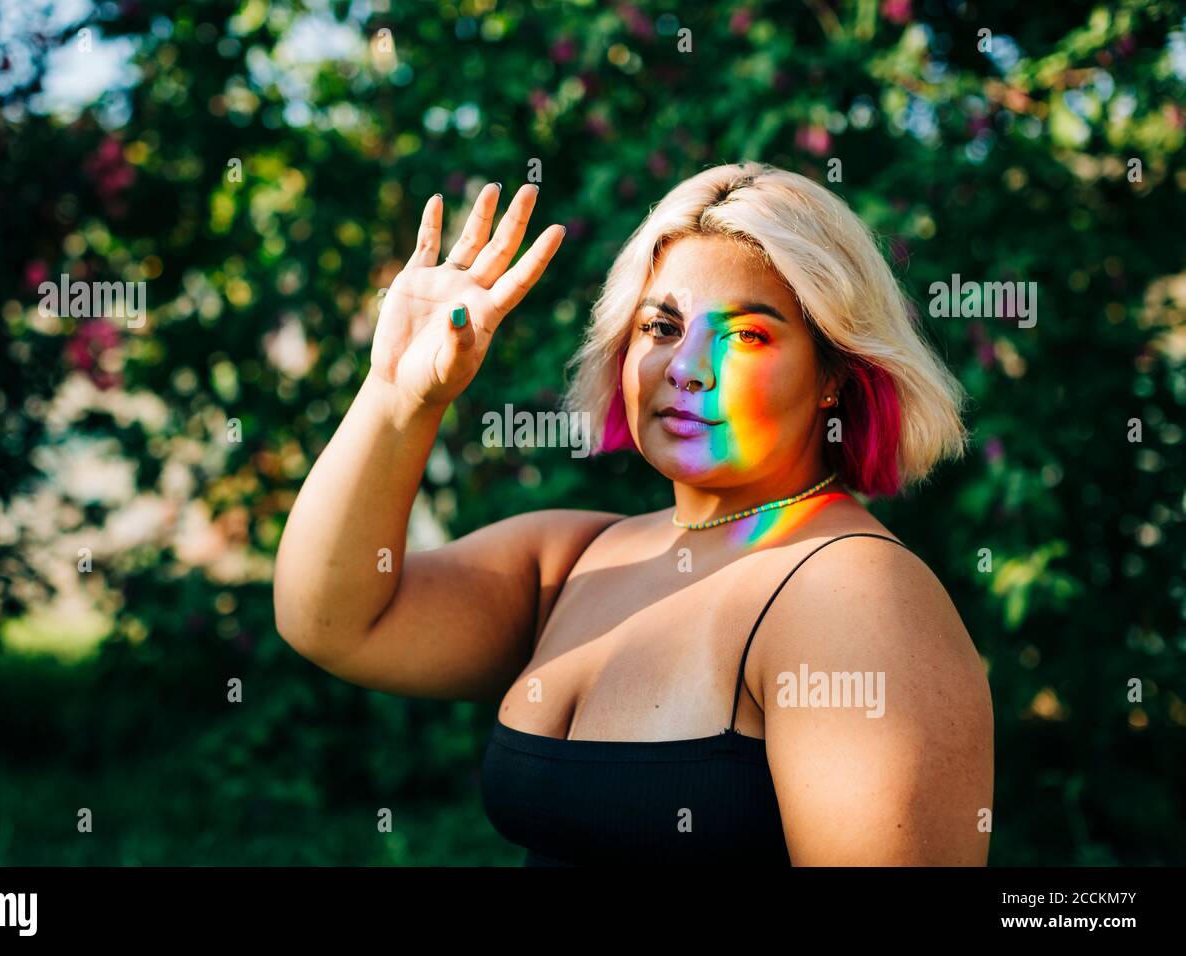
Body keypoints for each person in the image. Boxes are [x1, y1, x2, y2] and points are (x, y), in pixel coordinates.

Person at [274, 162, 994, 866]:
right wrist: (399, 395)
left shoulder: (853, 595)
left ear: (834, 373)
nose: (688, 367)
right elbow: (333, 619)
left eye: (748, 334)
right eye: (661, 326)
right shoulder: (570, 558)